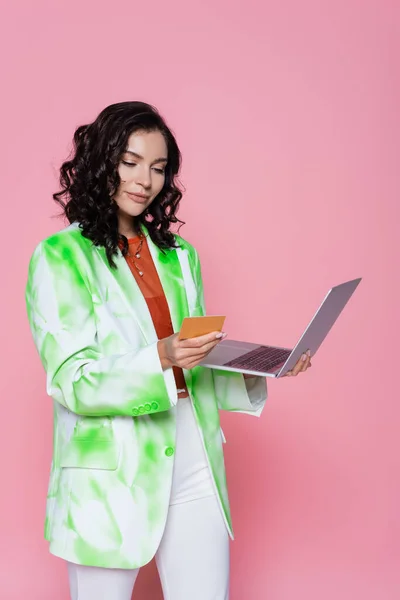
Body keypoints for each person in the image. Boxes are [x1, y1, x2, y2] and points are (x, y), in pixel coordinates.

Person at [25, 101, 312, 600]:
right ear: (102, 162)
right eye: (130, 162)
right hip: (111, 473)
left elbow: (191, 363)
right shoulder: (60, 257)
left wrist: (265, 368)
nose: (145, 180)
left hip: (194, 456)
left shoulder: (180, 257)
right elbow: (74, 381)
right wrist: (160, 355)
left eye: (158, 168)